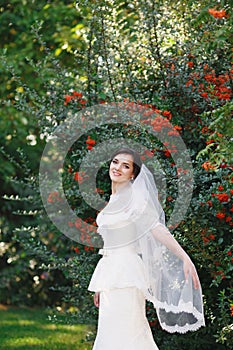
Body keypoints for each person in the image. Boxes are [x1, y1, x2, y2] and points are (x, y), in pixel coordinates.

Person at [88, 148, 205, 350]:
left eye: (126, 166)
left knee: (127, 333)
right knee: (110, 332)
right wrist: (101, 284)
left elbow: (157, 229)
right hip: (111, 275)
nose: (117, 168)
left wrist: (184, 257)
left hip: (127, 274)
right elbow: (110, 246)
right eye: (115, 162)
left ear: (133, 174)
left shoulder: (135, 200)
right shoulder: (114, 200)